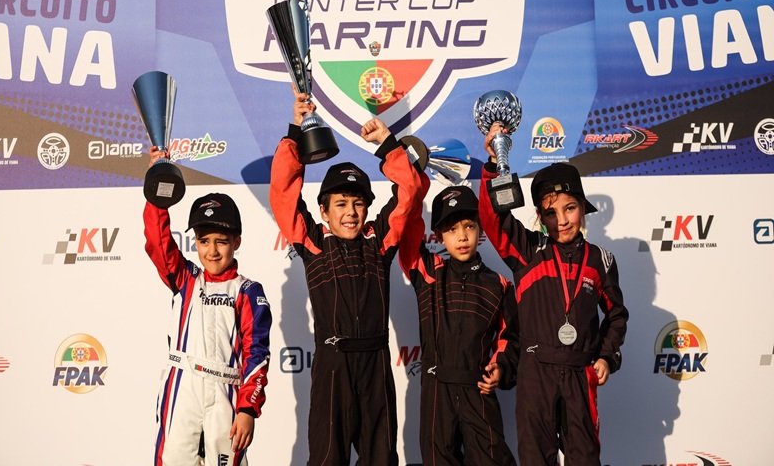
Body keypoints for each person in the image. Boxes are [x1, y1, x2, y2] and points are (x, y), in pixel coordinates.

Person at [269, 92, 422, 465]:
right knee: (327, 458)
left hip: (375, 365)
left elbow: (409, 192)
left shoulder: (380, 240)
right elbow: (284, 194)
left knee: (381, 458)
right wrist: (297, 131)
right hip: (332, 366)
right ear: (324, 211)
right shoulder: (313, 242)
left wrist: (388, 145)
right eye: (340, 204)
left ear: (367, 208)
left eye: (358, 203)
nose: (350, 212)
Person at [478, 125, 628, 466]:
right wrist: (493, 165)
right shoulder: (528, 250)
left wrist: (606, 357)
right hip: (536, 373)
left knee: (584, 458)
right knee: (535, 458)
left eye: (569, 208)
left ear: (583, 207)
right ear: (540, 217)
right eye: (551, 213)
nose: (562, 220)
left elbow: (617, 315)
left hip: (580, 372)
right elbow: (492, 220)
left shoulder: (601, 260)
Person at [144, 148, 272, 466]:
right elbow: (158, 242)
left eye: (221, 241)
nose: (212, 251)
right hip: (183, 386)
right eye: (204, 241)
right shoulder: (185, 279)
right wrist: (158, 183)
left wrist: (247, 409)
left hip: (226, 392)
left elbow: (257, 354)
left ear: (236, 241)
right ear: (195, 242)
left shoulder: (248, 291)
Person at [398, 175, 519, 466]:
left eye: (468, 226)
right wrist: (411, 175)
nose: (462, 237)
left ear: (480, 230)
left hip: (478, 389)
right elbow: (407, 227)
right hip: (436, 390)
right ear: (439, 236)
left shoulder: (499, 285)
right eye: (452, 229)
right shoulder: (429, 273)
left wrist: (501, 369)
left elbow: (511, 340)